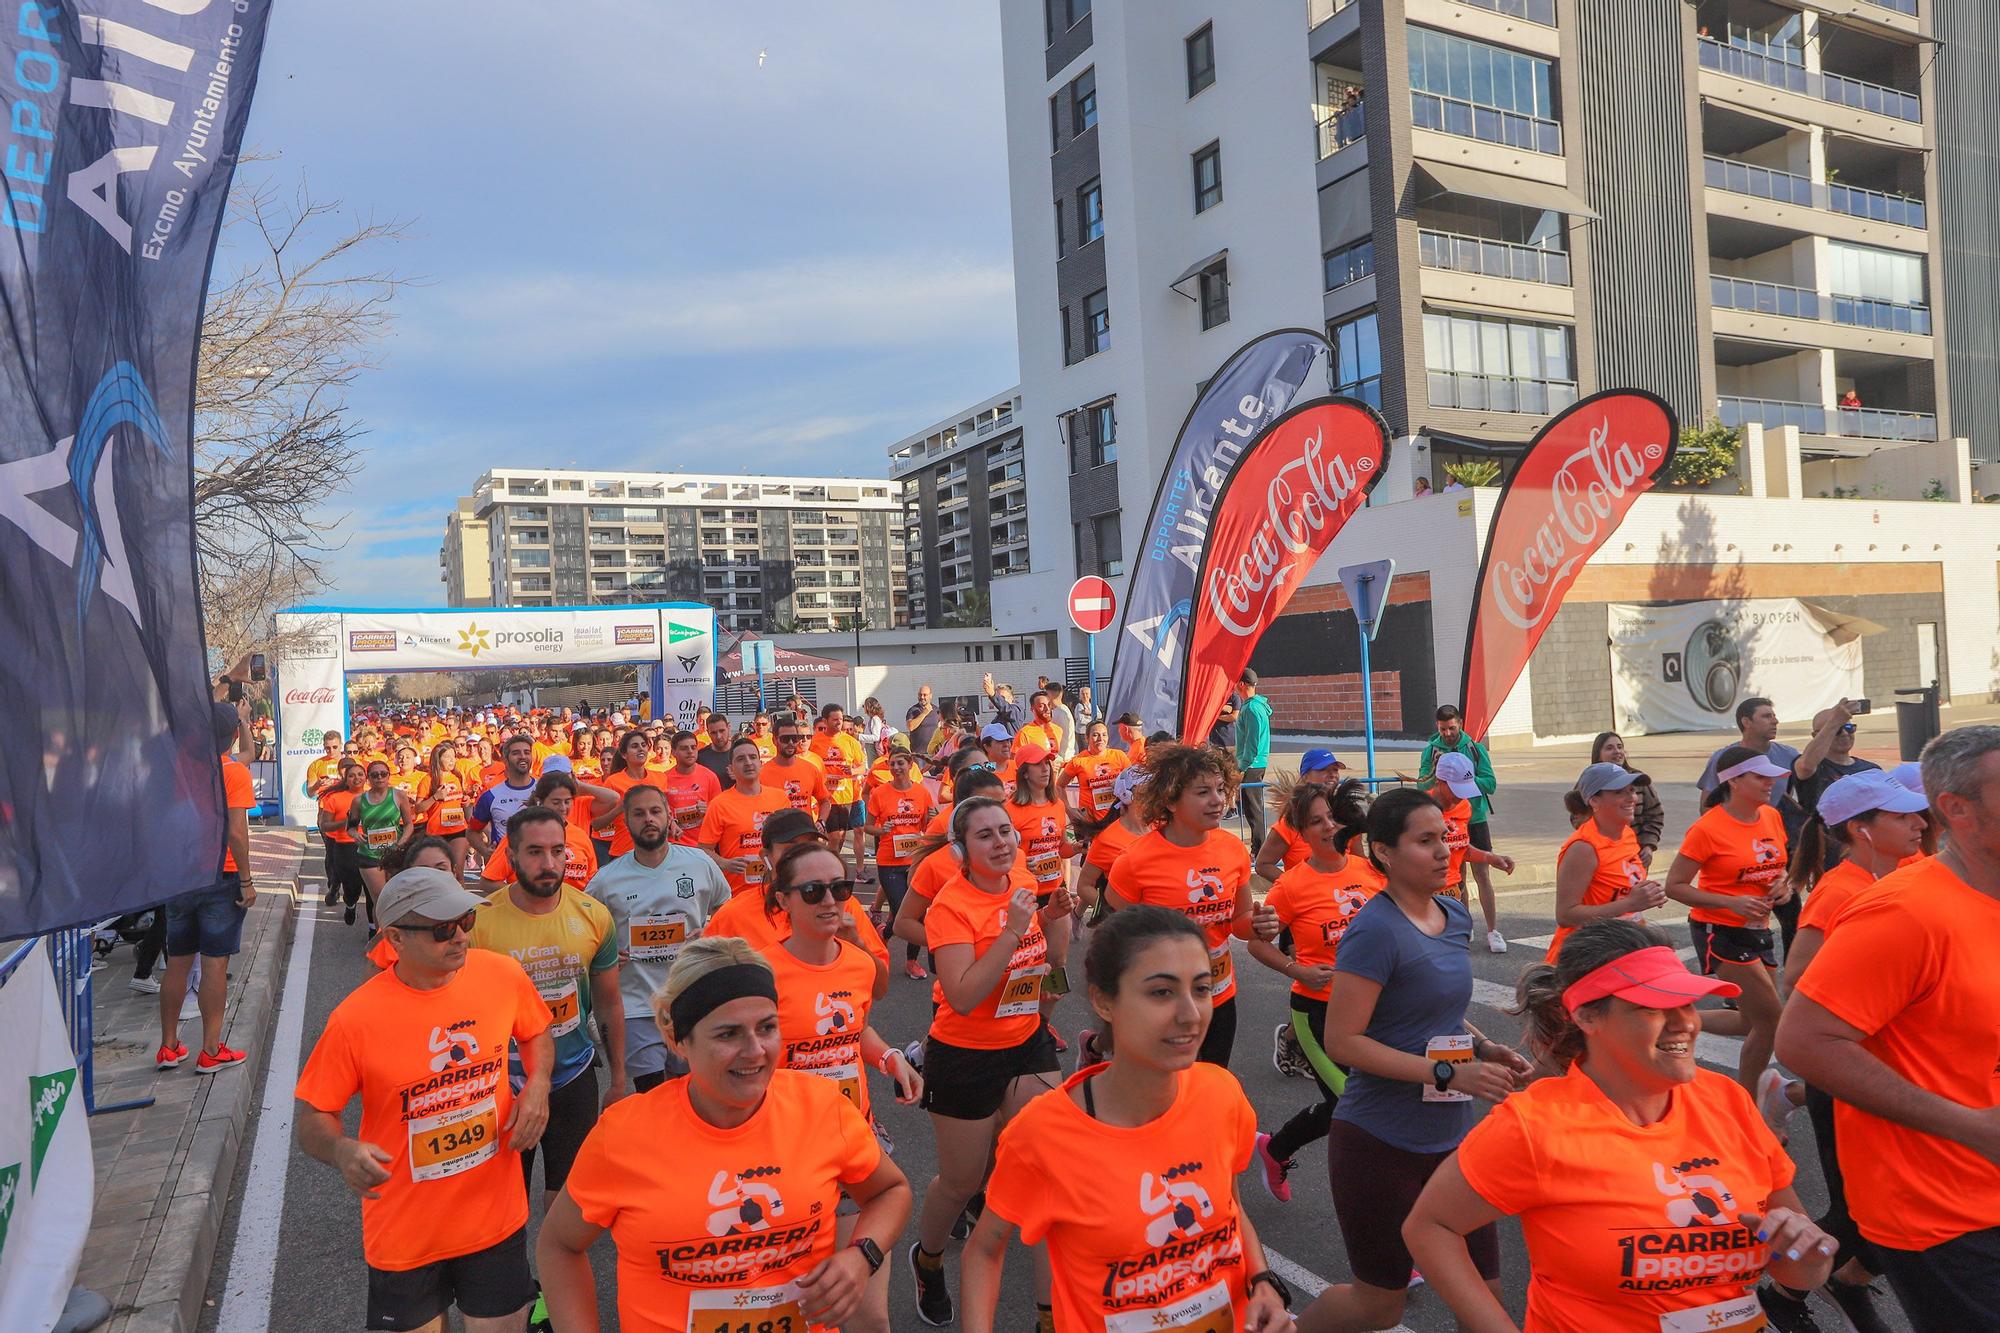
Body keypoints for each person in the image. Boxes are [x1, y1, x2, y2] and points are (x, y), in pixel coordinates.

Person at [1404, 920, 1834, 1332]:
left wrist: (1811, 1255)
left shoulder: (1727, 1101)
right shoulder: (1536, 1126)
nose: (1684, 1021)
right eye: (1653, 1007)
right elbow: (1430, 1226)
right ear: (1588, 1017)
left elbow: (1797, 1263)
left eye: (1685, 1002)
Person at [535, 938, 913, 1333]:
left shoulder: (822, 1107)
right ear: (678, 1040)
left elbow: (891, 1191)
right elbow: (559, 1244)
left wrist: (862, 1255)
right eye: (728, 1034)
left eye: (767, 1027)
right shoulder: (624, 1135)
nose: (755, 1051)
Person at [962, 906, 1293, 1333]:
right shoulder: (1043, 1133)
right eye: (1161, 992)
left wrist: (1261, 1281)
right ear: (1104, 1000)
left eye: (1202, 988)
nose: (1191, 1014)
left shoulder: (1221, 1093)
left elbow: (1230, 1207)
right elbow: (984, 1251)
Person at [1776, 726, 2000, 1333]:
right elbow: (1803, 1039)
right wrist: (1973, 1128)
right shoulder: (1903, 910)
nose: (1915, 826)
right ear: (1955, 807)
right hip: (1947, 1214)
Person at [1293, 787, 1531, 1332]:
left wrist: (1481, 1046)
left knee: (1487, 1299)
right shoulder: (1374, 931)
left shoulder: (1453, 916)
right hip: (1380, 1143)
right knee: (1379, 1306)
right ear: (1383, 853)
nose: (1445, 851)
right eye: (1425, 841)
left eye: (1444, 836)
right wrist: (1449, 1072)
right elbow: (1343, 1042)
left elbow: (1437, 1016)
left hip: (1451, 1143)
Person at [295, 867, 553, 1333]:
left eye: (465, 922)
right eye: (440, 929)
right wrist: (341, 1150)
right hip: (404, 1234)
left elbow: (536, 1033)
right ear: (394, 937)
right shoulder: (355, 1019)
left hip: (494, 1220)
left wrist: (537, 1088)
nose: (458, 937)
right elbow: (315, 1115)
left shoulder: (502, 976)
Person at [1771, 769, 1928, 1333]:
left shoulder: (1901, 874)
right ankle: (1784, 1293)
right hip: (1846, 1074)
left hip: (1891, 1067)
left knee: (1884, 1212)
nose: (1919, 822)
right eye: (1902, 815)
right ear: (1861, 829)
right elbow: (1797, 977)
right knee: (1858, 1215)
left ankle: (1847, 1281)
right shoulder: (1842, 889)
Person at [908, 797, 1060, 1326]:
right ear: (961, 851)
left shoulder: (1022, 879)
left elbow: (1040, 965)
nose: (1001, 843)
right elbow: (965, 993)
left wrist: (1051, 925)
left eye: (1005, 831)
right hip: (964, 1054)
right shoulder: (950, 907)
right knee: (963, 1181)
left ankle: (1048, 1313)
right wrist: (1015, 929)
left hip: (1027, 1042)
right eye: (986, 836)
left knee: (1046, 1170)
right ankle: (928, 1261)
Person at [761, 843, 923, 1333]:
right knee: (799, 1305)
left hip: (853, 1139)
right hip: (783, 1154)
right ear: (783, 901)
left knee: (868, 1316)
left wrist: (889, 1057)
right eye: (813, 891)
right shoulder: (760, 974)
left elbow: (854, 1028)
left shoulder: (856, 963)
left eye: (841, 888)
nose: (830, 900)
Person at [469, 805, 625, 1206]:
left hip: (573, 1074)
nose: (549, 863)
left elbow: (608, 1003)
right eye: (535, 852)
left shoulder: (593, 915)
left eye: (558, 851)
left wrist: (620, 1079)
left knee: (569, 1199)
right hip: (506, 1083)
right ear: (511, 856)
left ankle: (555, 1266)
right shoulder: (479, 923)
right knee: (507, 1202)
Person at [1104, 743, 1280, 1067]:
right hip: (1159, 1000)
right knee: (1164, 1091)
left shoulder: (1232, 850)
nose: (1217, 800)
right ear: (1170, 800)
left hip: (1218, 994)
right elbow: (1115, 940)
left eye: (1221, 789)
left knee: (1208, 1084)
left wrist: (1258, 925)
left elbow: (1238, 921)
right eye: (1202, 792)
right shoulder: (1134, 861)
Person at [1247, 779, 1381, 1201]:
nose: (1328, 827)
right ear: (1301, 834)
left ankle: (1276, 1147)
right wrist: (1297, 970)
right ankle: (1377, 1206)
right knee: (1355, 1106)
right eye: (1316, 822)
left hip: (1372, 1010)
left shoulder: (1371, 872)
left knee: (1356, 1103)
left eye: (1333, 818)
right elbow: (1256, 943)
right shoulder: (1291, 885)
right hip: (1317, 1014)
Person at [1664, 746, 1791, 1100]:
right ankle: (1748, 1104)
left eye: (1771, 776)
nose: (1770, 783)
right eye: (1760, 776)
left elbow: (1779, 867)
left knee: (1751, 1020)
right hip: (1719, 931)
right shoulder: (1707, 829)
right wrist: (1731, 902)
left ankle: (1672, 1020)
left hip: (1758, 929)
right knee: (1771, 1019)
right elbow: (1674, 886)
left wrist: (1784, 885)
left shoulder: (1771, 816)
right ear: (1734, 781)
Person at [588, 783, 731, 1096]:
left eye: (655, 811)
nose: (648, 819)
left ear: (669, 815)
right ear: (626, 821)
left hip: (691, 998)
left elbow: (729, 911)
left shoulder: (699, 863)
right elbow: (586, 928)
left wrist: (710, 934)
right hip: (637, 1005)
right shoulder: (607, 879)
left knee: (690, 1091)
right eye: (639, 814)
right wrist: (605, 952)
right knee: (653, 1091)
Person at [154, 702, 260, 1074]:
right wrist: (246, 879)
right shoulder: (233, 773)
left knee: (178, 962)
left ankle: (168, 1047)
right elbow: (236, 832)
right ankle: (211, 1049)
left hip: (180, 874)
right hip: (221, 875)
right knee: (215, 964)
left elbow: (246, 753)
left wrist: (241, 722)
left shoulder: (175, 768)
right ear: (232, 735)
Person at [1548, 762, 1667, 964]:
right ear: (1594, 801)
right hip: (1585, 960)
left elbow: (1622, 888)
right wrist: (1630, 903)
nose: (1632, 798)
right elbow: (1566, 915)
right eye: (1620, 792)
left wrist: (1647, 892)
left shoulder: (1627, 834)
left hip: (1624, 948)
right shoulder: (1583, 848)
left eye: (1632, 790)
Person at [1419, 705, 1505, 953]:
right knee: (1458, 877)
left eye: (1451, 728)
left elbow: (1490, 783)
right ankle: (1463, 923)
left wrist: (1465, 780)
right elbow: (1421, 784)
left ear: (1460, 723)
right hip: (1445, 821)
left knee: (1483, 876)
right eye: (1442, 729)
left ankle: (1492, 929)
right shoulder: (1431, 750)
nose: (1447, 733)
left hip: (1474, 818)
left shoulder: (1475, 749)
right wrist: (1436, 774)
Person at [1425, 752, 1517, 948]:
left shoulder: (1464, 807)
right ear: (1440, 781)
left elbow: (1460, 847)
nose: (1462, 795)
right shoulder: (1419, 809)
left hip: (1454, 895)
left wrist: (1490, 857)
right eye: (1457, 789)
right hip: (1426, 897)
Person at [866, 745, 936, 979]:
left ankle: (911, 961)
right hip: (889, 862)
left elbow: (927, 827)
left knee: (915, 914)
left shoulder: (922, 792)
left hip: (915, 861)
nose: (896, 768)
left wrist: (932, 819)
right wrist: (880, 829)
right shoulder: (880, 793)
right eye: (892, 763)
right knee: (900, 909)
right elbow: (867, 827)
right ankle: (884, 937)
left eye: (900, 763)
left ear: (910, 765)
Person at [696, 736, 793, 899]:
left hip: (777, 891)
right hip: (737, 894)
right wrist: (724, 863)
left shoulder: (780, 798)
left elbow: (791, 843)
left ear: (761, 764)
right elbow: (704, 848)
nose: (748, 762)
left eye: (753, 757)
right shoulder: (719, 804)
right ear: (731, 769)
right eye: (741, 759)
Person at [479, 771, 602, 892]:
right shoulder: (521, 833)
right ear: (540, 802)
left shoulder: (581, 836)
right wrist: (525, 897)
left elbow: (593, 882)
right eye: (556, 802)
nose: (563, 808)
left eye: (567, 801)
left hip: (574, 910)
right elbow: (488, 882)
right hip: (531, 911)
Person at [1250, 749, 1348, 884]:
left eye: (1335, 770)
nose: (1332, 774)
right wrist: (1295, 886)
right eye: (1323, 770)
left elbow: (1361, 862)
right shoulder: (1290, 822)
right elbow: (1263, 864)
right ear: (1305, 777)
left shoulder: (1346, 817)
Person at [348, 759, 417, 918]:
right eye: (375, 775)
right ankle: (382, 938)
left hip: (395, 853)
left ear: (388, 776)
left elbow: (408, 825)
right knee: (380, 900)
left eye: (383, 774)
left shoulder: (399, 796)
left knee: (399, 897)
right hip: (369, 855)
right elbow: (351, 827)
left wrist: (401, 844)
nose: (379, 777)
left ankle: (398, 935)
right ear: (368, 778)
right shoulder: (359, 800)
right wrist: (356, 835)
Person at [1586, 731, 1664, 864]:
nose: (1617, 751)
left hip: (1636, 857)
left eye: (1620, 747)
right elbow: (1578, 817)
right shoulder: (1589, 782)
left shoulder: (1638, 779)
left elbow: (1655, 814)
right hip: (1604, 857)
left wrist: (1648, 845)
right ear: (1598, 753)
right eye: (1609, 748)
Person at [811, 703, 869, 876]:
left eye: (841, 719)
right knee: (833, 837)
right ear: (825, 721)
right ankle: (831, 872)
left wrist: (853, 771)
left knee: (841, 837)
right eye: (835, 720)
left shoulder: (851, 742)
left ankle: (831, 866)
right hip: (825, 798)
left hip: (845, 797)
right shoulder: (815, 741)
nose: (838, 723)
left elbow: (862, 768)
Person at [467, 735, 538, 863]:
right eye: (516, 753)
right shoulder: (491, 794)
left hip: (538, 865)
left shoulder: (544, 789)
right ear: (505, 759)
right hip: (506, 868)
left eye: (527, 752)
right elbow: (472, 832)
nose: (523, 756)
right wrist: (485, 851)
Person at [318, 760, 370, 926]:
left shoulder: (374, 796)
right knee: (352, 888)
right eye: (352, 775)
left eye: (360, 774)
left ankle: (372, 928)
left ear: (366, 778)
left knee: (371, 890)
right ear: (345, 779)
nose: (357, 778)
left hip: (371, 847)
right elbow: (324, 825)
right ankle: (350, 904)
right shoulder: (335, 798)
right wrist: (344, 823)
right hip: (345, 847)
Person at [652, 728, 722, 848]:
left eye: (693, 747)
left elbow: (721, 811)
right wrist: (670, 822)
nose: (690, 751)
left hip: (703, 846)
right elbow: (656, 813)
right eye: (684, 748)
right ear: (673, 752)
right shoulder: (664, 779)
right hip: (675, 845)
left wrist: (709, 810)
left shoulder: (709, 776)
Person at [414, 741, 473, 881]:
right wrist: (435, 797)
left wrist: (466, 801)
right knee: (440, 875)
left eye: (454, 756)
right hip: (436, 833)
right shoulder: (428, 780)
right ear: (437, 759)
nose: (452, 760)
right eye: (447, 757)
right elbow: (418, 808)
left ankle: (461, 903)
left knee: (457, 873)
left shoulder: (457, 777)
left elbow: (462, 804)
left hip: (458, 829)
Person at [764, 715, 834, 822]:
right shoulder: (762, 773)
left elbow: (825, 800)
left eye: (795, 738)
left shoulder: (810, 769)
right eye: (785, 739)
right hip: (777, 835)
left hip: (805, 833)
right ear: (774, 740)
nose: (791, 743)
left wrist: (821, 822)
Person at [1059, 721, 1128, 828]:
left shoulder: (1119, 756)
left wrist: (1119, 783)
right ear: (1086, 738)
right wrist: (1069, 810)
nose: (1101, 739)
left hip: (1117, 820)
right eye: (1095, 735)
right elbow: (1059, 785)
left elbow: (1133, 781)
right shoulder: (1078, 761)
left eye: (1104, 734)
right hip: (1089, 823)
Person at [1234, 669, 1273, 850]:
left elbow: (1252, 741)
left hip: (1252, 764)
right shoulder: (1252, 706)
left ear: (1241, 684)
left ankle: (1259, 849)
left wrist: (1242, 766)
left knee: (1253, 810)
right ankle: (1259, 848)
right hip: (1254, 763)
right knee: (1252, 808)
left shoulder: (1251, 708)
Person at [694, 711, 734, 785]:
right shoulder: (701, 757)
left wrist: (741, 776)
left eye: (722, 731)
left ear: (728, 727)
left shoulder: (741, 752)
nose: (718, 736)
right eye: (713, 733)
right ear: (708, 733)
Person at [1044, 681, 1079, 764]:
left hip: (1063, 758)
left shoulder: (1061, 713)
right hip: (1061, 756)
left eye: (1046, 694)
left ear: (1051, 695)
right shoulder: (1060, 710)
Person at [906, 684, 941, 757]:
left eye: (925, 695)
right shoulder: (913, 710)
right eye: (920, 695)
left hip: (934, 753)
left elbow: (941, 729)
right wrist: (924, 713)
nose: (922, 697)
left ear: (930, 696)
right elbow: (910, 727)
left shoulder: (937, 710)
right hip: (918, 754)